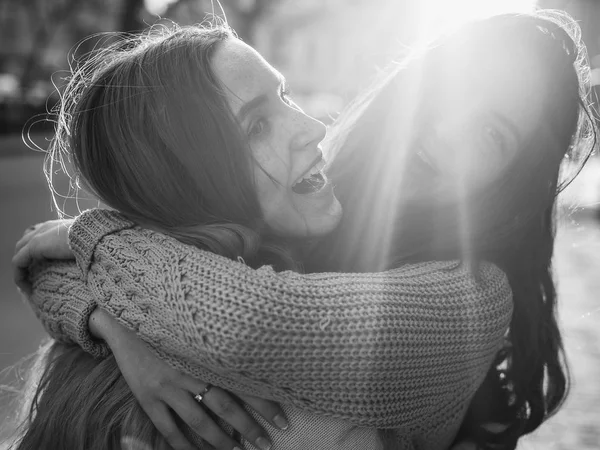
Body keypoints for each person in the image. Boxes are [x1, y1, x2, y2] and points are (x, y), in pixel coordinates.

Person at [11, 9, 595, 450]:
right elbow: (43, 266)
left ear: (512, 181)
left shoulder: (469, 298)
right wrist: (112, 324)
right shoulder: (309, 210)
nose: (443, 132)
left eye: (490, 134)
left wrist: (97, 242)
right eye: (451, 91)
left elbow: (249, 321)